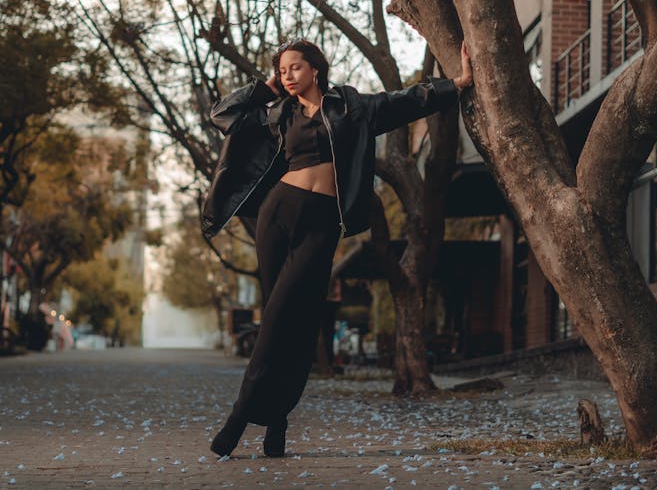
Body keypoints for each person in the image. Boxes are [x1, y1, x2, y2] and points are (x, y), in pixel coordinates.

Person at [202, 38, 474, 458]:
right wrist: (266, 87)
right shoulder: (277, 112)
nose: (289, 75)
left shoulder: (350, 107)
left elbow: (403, 101)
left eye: (295, 67)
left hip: (322, 222)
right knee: (276, 315)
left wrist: (456, 84)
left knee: (293, 320)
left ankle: (243, 416)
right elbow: (222, 114)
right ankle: (271, 422)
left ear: (315, 68)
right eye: (283, 69)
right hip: (277, 216)